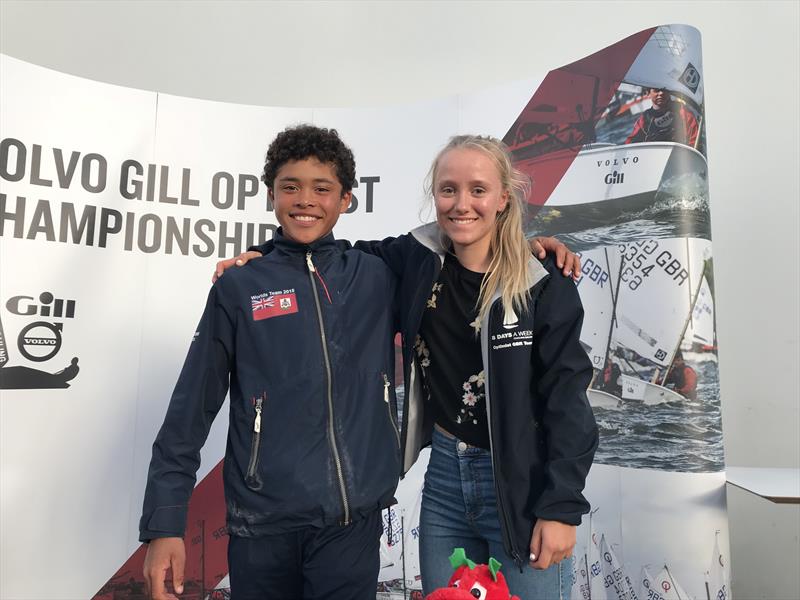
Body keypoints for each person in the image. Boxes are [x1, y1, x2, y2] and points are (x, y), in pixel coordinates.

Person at [222, 135, 596, 598]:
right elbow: (328, 255)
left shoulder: (544, 280)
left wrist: (560, 508)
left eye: (478, 190)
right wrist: (262, 258)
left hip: (524, 487)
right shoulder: (415, 260)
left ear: (504, 197)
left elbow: (568, 401)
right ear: (434, 195)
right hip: (444, 483)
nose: (462, 204)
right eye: (448, 189)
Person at [139, 125, 403, 600]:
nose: (305, 200)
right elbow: (188, 411)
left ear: (346, 199)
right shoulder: (240, 285)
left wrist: (530, 246)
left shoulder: (376, 274)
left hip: (351, 524)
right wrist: (165, 522)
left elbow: (460, 245)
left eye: (322, 189)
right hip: (262, 527)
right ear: (270, 195)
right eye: (290, 187)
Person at [625, 87, 700, 148]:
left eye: (664, 90)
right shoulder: (644, 119)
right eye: (656, 90)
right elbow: (630, 144)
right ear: (648, 93)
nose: (661, 93)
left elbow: (694, 140)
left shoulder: (682, 111)